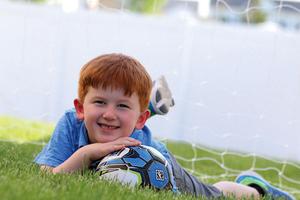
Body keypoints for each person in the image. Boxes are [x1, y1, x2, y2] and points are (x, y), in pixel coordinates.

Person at [34, 53, 295, 200]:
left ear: (140, 121)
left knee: (213, 195)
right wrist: (86, 153)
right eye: (99, 102)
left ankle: (256, 188)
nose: (109, 114)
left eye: (122, 106)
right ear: (81, 108)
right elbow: (47, 175)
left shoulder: (143, 151)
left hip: (164, 165)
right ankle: (151, 102)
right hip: (124, 123)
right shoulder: (71, 122)